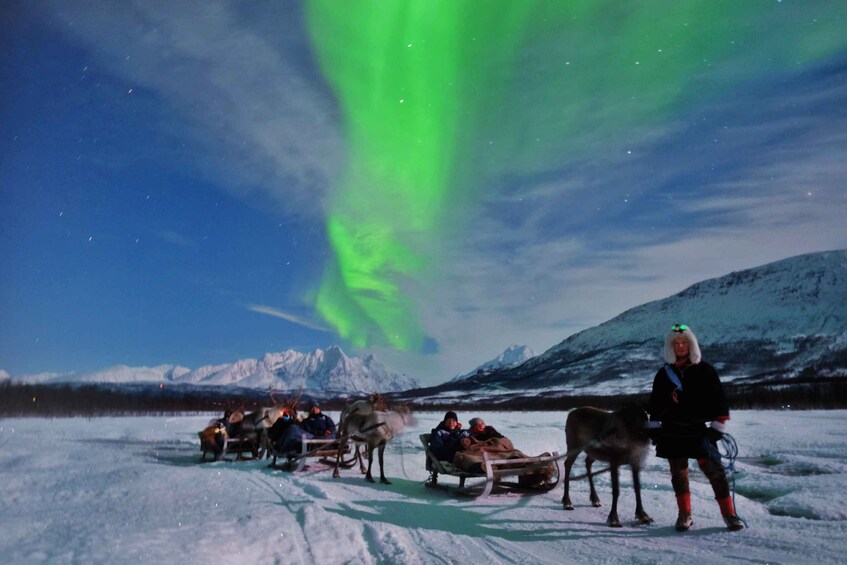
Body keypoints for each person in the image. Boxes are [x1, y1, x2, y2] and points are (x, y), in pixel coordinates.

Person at [648, 323, 744, 532]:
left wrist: (716, 428)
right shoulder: (663, 374)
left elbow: (719, 400)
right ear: (670, 347)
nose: (680, 346)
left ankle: (729, 515)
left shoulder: (705, 371)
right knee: (678, 474)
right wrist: (654, 429)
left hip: (699, 430)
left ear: (691, 345)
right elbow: (655, 405)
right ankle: (684, 515)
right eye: (676, 343)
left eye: (684, 342)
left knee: (715, 471)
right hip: (672, 432)